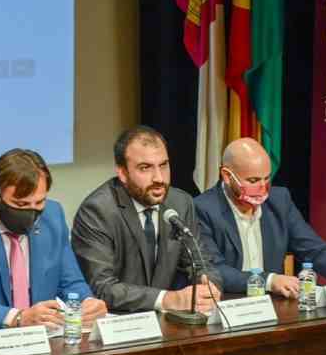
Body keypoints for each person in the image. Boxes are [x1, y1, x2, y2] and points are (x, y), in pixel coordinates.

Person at [0, 148, 108, 330]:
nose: (31, 213)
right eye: (21, 204)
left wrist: (87, 302)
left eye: (39, 202)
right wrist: (17, 317)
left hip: (46, 337)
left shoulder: (52, 216)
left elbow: (70, 282)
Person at [71, 125, 222, 313]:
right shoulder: (97, 211)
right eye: (145, 168)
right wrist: (167, 299)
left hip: (165, 320)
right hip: (117, 320)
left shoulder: (180, 203)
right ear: (122, 173)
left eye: (163, 165)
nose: (159, 178)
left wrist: (209, 286)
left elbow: (201, 262)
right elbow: (102, 287)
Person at [194, 137, 326, 298]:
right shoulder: (203, 209)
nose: (263, 188)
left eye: (267, 178)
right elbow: (213, 270)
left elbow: (313, 248)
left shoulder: (279, 200)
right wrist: (270, 280)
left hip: (275, 304)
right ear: (227, 175)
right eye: (253, 181)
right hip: (229, 303)